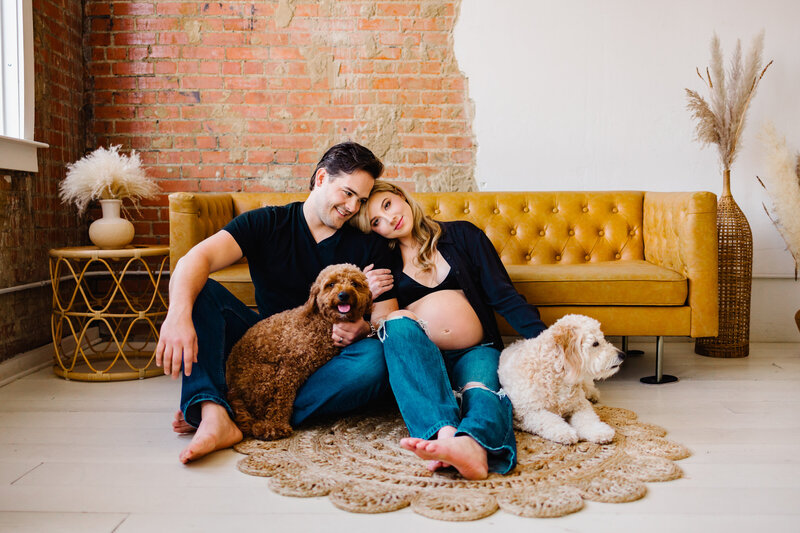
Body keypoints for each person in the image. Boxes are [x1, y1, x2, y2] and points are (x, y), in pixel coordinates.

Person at [156, 142, 397, 464]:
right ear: (322, 178)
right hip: (263, 348)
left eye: (361, 200)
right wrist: (177, 316)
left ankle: (241, 410)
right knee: (201, 291)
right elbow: (196, 259)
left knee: (376, 360)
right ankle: (212, 412)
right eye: (347, 193)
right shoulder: (266, 223)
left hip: (330, 361)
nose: (353, 207)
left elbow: (389, 318)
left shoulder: (368, 246)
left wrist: (363, 327)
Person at [352, 181, 547, 480]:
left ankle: (471, 445)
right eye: (376, 221)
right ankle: (446, 436)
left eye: (388, 205)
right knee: (396, 323)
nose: (389, 220)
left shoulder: (463, 235)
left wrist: (547, 343)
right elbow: (384, 323)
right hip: (425, 360)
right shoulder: (384, 263)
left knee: (482, 391)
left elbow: (503, 295)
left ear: (402, 196)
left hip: (476, 349)